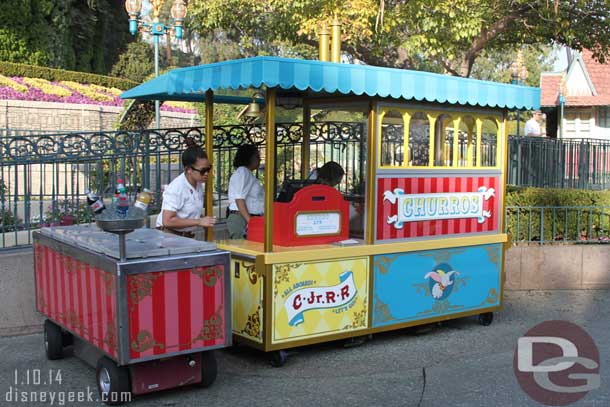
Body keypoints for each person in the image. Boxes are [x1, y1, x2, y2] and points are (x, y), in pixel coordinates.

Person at [155, 142, 216, 238]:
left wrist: (202, 219)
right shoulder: (177, 187)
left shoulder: (198, 183)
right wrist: (199, 221)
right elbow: (167, 221)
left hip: (186, 236)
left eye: (208, 169)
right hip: (169, 236)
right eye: (203, 170)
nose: (206, 173)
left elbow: (187, 210)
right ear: (188, 170)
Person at [227, 144, 264, 239]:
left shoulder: (247, 173)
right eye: (257, 156)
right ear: (249, 157)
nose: (259, 159)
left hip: (245, 218)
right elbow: (239, 199)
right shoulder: (243, 171)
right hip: (241, 219)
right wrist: (251, 222)